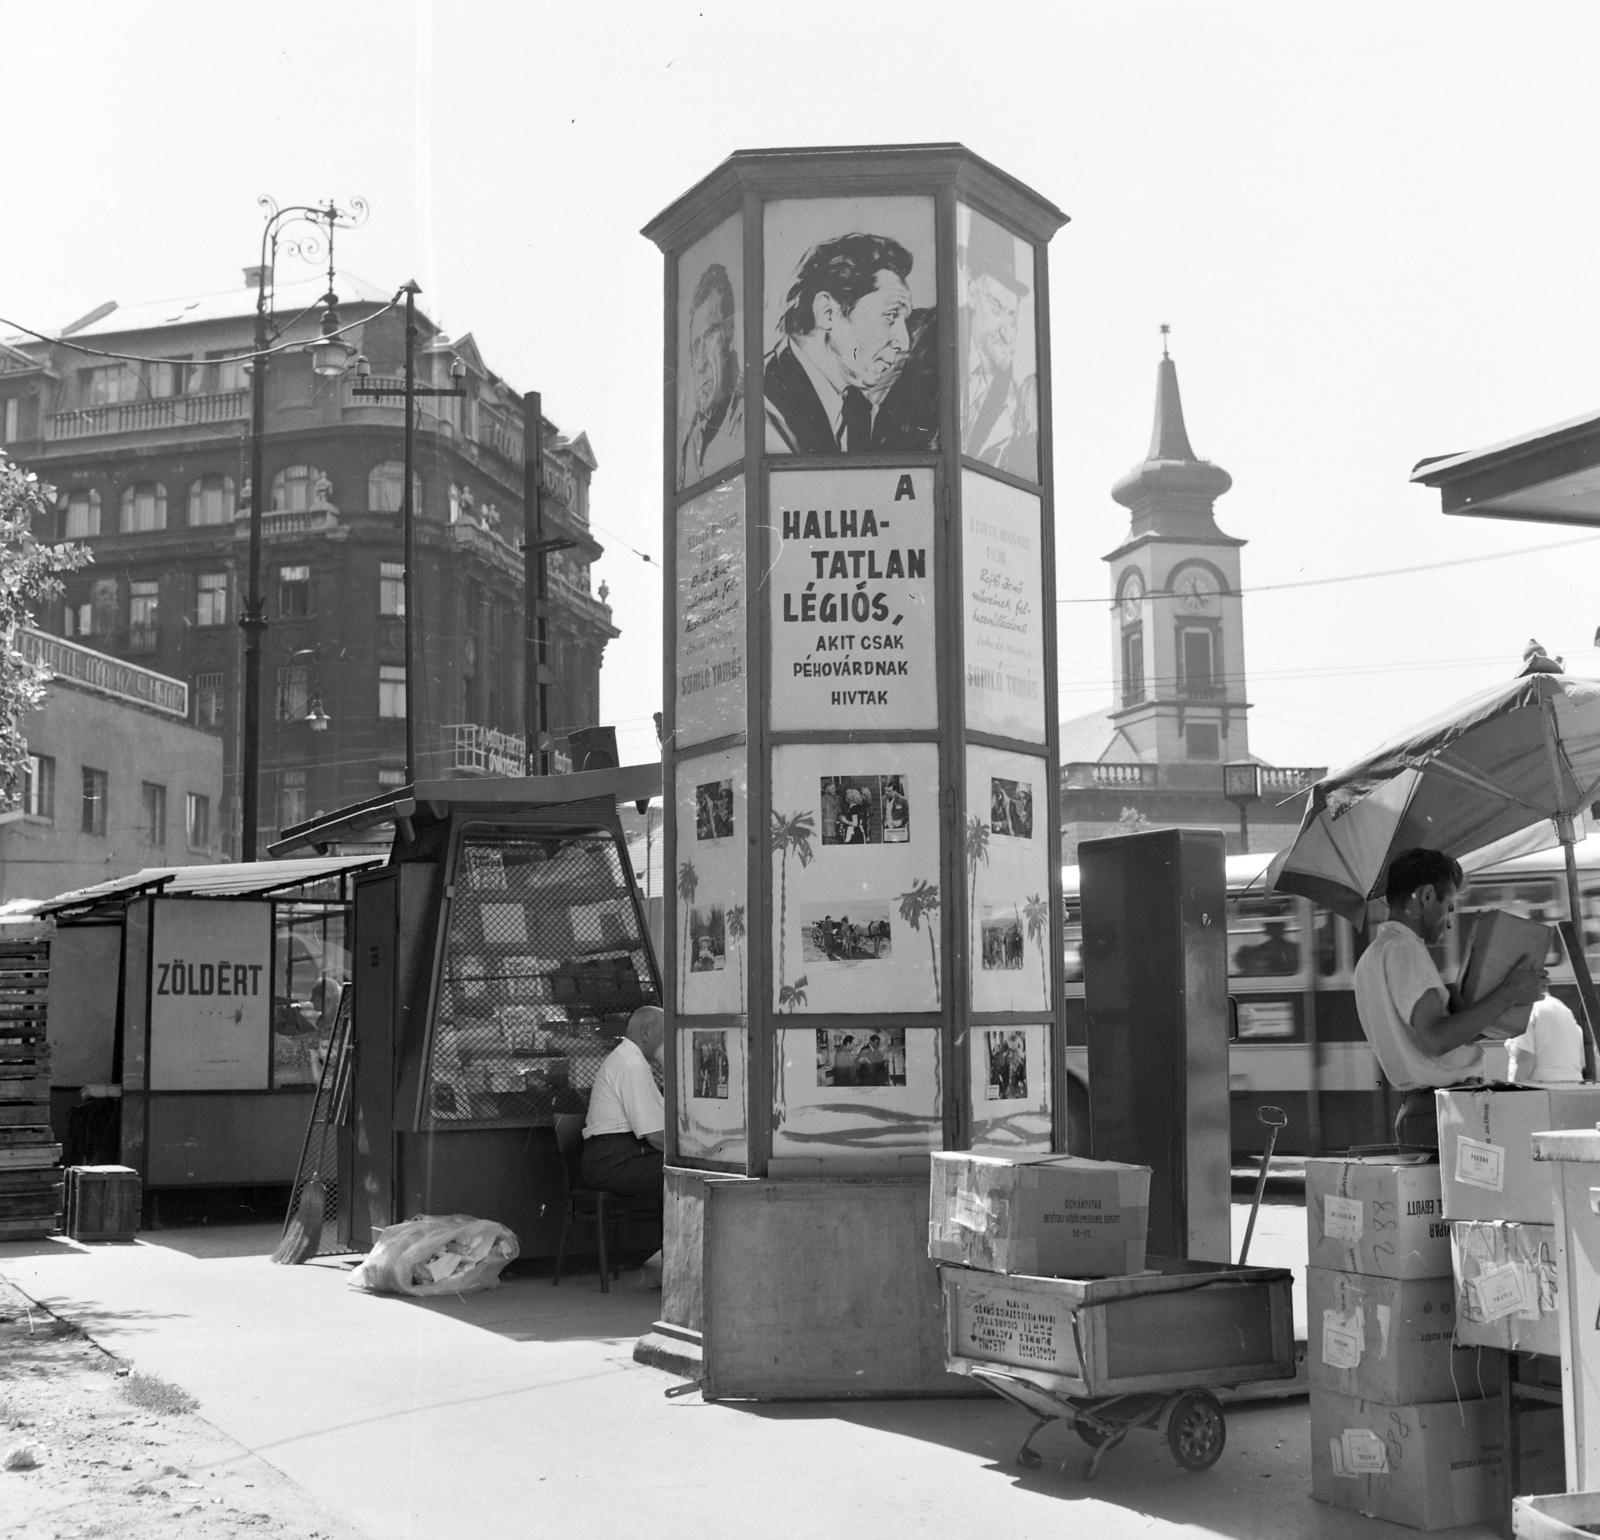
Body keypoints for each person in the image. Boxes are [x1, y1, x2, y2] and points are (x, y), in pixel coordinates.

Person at [1354, 848, 1546, 1148]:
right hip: (1443, 1112)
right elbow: (1437, 1039)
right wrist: (1510, 993)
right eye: (1450, 907)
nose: (1449, 921)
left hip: (1424, 1110)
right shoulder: (1405, 950)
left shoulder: (1375, 954)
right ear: (1426, 896)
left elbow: (1430, 1038)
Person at [764, 233, 918, 454]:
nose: (904, 343)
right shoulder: (764, 405)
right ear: (827, 312)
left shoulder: (859, 411)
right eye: (890, 316)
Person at [960, 214, 1037, 477]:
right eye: (996, 307)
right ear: (971, 289)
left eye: (1012, 316)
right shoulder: (932, 347)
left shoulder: (1018, 401)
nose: (1007, 332)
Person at [581, 1004, 666, 1205]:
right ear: (646, 1033)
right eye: (666, 1034)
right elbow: (655, 1135)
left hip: (614, 1158)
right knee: (685, 1177)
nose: (669, 1041)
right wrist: (695, 1154)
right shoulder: (631, 1063)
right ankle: (679, 1237)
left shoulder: (631, 1059)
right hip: (613, 1162)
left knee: (684, 1174)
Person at [678, 262, 743, 488]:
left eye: (710, 335)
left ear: (729, 333)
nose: (701, 362)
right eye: (696, 347)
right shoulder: (690, 444)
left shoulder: (748, 421)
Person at [1507, 983, 1586, 1084]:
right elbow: (1583, 1060)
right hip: (1574, 1087)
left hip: (1542, 1089)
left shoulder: (1526, 1009)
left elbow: (1525, 1059)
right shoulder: (1564, 1010)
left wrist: (1513, 1092)